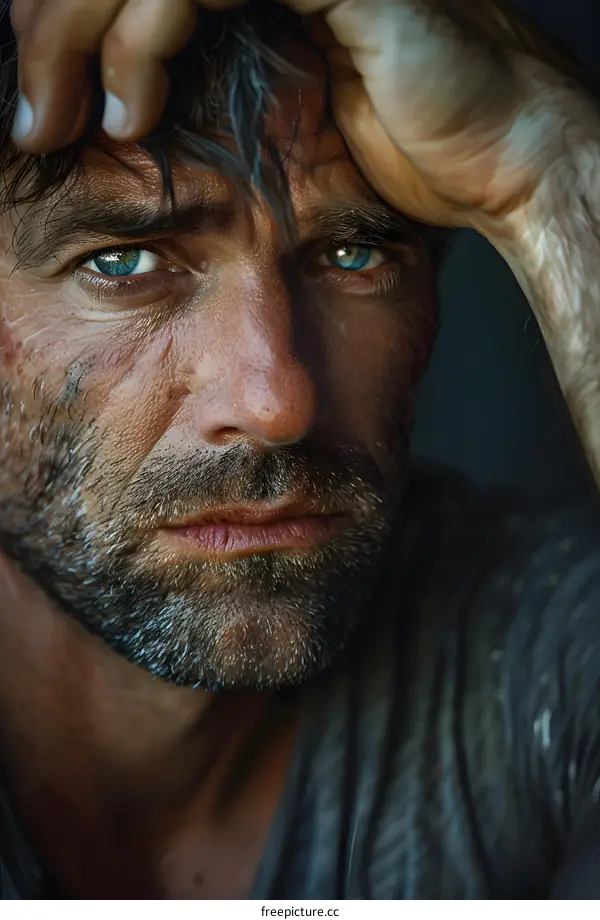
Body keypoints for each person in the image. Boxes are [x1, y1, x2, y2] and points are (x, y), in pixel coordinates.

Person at [1, 0, 600, 899]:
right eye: (123, 262)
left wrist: (556, 173)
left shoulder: (543, 649)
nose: (279, 400)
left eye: (354, 255)